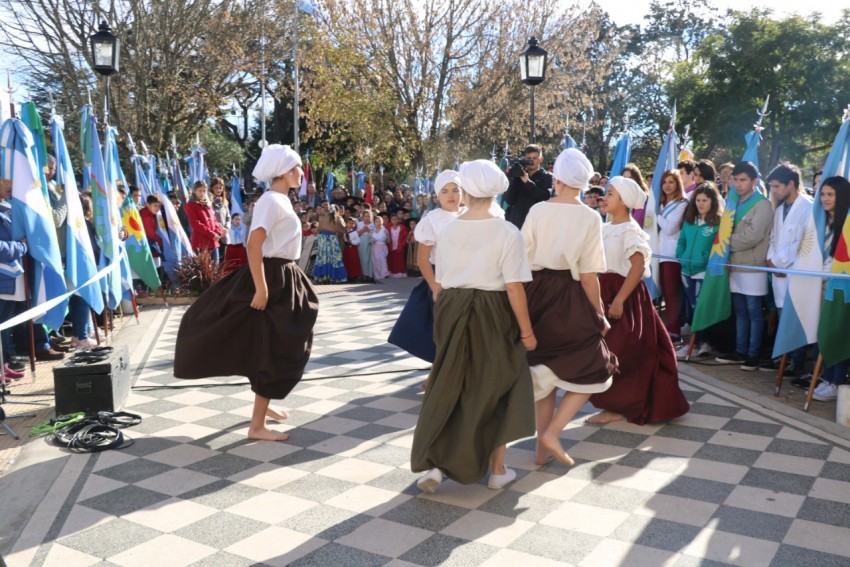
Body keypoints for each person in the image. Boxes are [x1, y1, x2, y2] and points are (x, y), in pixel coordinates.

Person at [175, 145, 319, 441]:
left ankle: (262, 409)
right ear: (284, 171)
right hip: (273, 278)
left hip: (284, 275)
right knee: (274, 347)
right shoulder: (271, 201)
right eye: (297, 168)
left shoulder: (281, 200)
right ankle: (257, 426)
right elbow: (254, 245)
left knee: (268, 343)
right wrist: (262, 289)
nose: (301, 173)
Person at [411, 160, 535, 493]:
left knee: (450, 381)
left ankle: (436, 464)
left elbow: (444, 276)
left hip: (452, 307)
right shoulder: (507, 231)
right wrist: (527, 331)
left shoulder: (448, 229)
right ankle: (497, 469)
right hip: (492, 310)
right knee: (500, 386)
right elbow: (514, 287)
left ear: (465, 190)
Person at [522, 149, 617, 466]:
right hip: (571, 295)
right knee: (596, 366)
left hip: (535, 294)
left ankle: (540, 450)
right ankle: (552, 434)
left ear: (557, 177)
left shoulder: (537, 210)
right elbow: (589, 275)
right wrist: (599, 314)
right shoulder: (591, 217)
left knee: (542, 373)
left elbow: (521, 258)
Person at [587, 176, 690, 424]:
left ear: (624, 201)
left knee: (620, 348)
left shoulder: (631, 230)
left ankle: (621, 405)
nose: (604, 197)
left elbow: (637, 266)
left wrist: (620, 300)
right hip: (605, 289)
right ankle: (612, 401)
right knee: (603, 349)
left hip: (623, 294)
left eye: (611, 194)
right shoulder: (605, 226)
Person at [388, 170, 462, 362]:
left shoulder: (470, 215)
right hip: (442, 278)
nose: (451, 195)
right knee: (443, 329)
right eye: (445, 191)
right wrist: (434, 286)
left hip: (468, 277)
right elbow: (422, 259)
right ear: (437, 195)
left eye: (455, 190)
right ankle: (438, 374)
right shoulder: (433, 219)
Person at [715, 162, 774, 371]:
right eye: (735, 180)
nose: (738, 184)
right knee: (740, 310)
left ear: (754, 181)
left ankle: (753, 354)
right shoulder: (734, 202)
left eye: (743, 180)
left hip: (753, 265)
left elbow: (753, 236)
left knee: (754, 311)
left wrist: (725, 241)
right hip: (734, 264)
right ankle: (740, 351)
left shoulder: (762, 204)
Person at [764, 163, 812, 374]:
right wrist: (770, 260)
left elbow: (803, 241)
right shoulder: (779, 209)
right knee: (783, 317)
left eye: (776, 186)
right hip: (777, 271)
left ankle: (797, 363)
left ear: (790, 184)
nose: (773, 191)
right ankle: (785, 358)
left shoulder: (808, 207)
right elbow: (773, 237)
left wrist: (780, 262)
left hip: (794, 270)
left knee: (796, 318)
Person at [812, 176, 850, 401]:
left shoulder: (847, 222)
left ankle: (836, 380)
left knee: (836, 332)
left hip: (840, 287)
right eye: (823, 194)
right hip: (817, 284)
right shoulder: (820, 220)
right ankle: (824, 377)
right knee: (822, 332)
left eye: (830, 194)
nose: (825, 199)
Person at [675, 183, 722, 358]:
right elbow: (681, 242)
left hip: (704, 272)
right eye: (698, 200)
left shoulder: (718, 223)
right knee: (693, 307)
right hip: (686, 271)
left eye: (705, 200)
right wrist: (681, 255)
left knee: (701, 308)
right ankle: (695, 343)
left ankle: (702, 343)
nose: (700, 203)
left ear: (713, 202)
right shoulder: (689, 221)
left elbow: (719, 248)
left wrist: (706, 259)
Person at [656, 170, 688, 341]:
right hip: (658, 253)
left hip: (672, 255)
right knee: (664, 294)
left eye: (671, 182)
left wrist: (656, 216)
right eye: (664, 182)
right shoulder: (660, 203)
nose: (667, 186)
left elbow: (670, 228)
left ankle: (674, 330)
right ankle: (666, 328)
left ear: (678, 184)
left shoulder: (682, 203)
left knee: (672, 293)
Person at [0, 180, 27, 380]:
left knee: (6, 321)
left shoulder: (8, 207)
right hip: (3, 275)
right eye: (3, 181)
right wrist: (22, 247)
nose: (9, 184)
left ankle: (4, 363)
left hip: (9, 276)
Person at [503, 144, 553, 228]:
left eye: (534, 158)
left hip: (536, 225)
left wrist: (527, 182)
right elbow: (509, 200)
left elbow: (545, 196)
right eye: (528, 159)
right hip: (516, 225)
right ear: (524, 159)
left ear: (541, 159)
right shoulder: (517, 176)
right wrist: (510, 178)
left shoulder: (547, 177)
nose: (531, 161)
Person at [184, 181, 225, 264]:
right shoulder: (190, 205)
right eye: (200, 190)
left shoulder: (207, 204)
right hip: (201, 243)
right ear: (194, 191)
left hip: (213, 241)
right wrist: (212, 234)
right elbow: (196, 224)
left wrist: (218, 232)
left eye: (204, 191)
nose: (202, 193)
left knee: (216, 268)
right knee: (205, 272)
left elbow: (214, 220)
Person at [312, 205, 348, 284]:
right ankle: (334, 278)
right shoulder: (338, 218)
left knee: (323, 258)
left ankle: (322, 277)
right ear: (337, 210)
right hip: (332, 239)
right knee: (333, 258)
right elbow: (343, 229)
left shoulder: (324, 218)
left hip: (323, 239)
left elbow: (319, 229)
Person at [210, 177, 232, 251]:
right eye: (216, 188)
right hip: (214, 235)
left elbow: (228, 217)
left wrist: (226, 228)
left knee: (223, 260)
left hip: (224, 236)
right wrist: (220, 228)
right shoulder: (209, 202)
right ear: (212, 188)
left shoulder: (224, 202)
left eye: (220, 188)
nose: (219, 190)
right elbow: (211, 217)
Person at [387, 213, 409, 278]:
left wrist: (402, 245)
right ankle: (392, 273)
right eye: (393, 219)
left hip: (399, 246)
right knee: (392, 261)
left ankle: (400, 273)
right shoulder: (388, 227)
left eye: (396, 219)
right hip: (391, 246)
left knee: (400, 261)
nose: (394, 221)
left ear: (398, 220)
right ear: (390, 220)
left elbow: (405, 238)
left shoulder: (402, 228)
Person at [341, 217, 363, 281]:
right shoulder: (344, 232)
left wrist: (352, 242)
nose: (350, 225)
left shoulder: (354, 232)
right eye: (349, 223)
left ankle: (354, 275)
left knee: (353, 262)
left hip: (352, 248)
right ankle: (347, 275)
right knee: (346, 261)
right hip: (346, 249)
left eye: (352, 223)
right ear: (346, 224)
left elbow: (358, 241)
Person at [357, 209, 375, 282]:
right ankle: (363, 274)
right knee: (362, 258)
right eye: (365, 216)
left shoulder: (373, 224)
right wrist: (363, 230)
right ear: (363, 217)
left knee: (370, 259)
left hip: (370, 243)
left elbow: (376, 234)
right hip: (362, 243)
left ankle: (370, 275)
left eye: (369, 216)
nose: (367, 218)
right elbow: (357, 234)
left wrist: (369, 231)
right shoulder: (359, 224)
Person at [371, 215, 389, 280]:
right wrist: (372, 241)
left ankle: (385, 274)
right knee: (376, 262)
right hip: (375, 248)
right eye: (376, 221)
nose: (378, 223)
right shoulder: (372, 230)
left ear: (382, 222)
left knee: (383, 261)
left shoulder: (384, 230)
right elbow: (370, 239)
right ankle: (377, 276)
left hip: (382, 247)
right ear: (374, 222)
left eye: (379, 221)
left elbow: (388, 240)